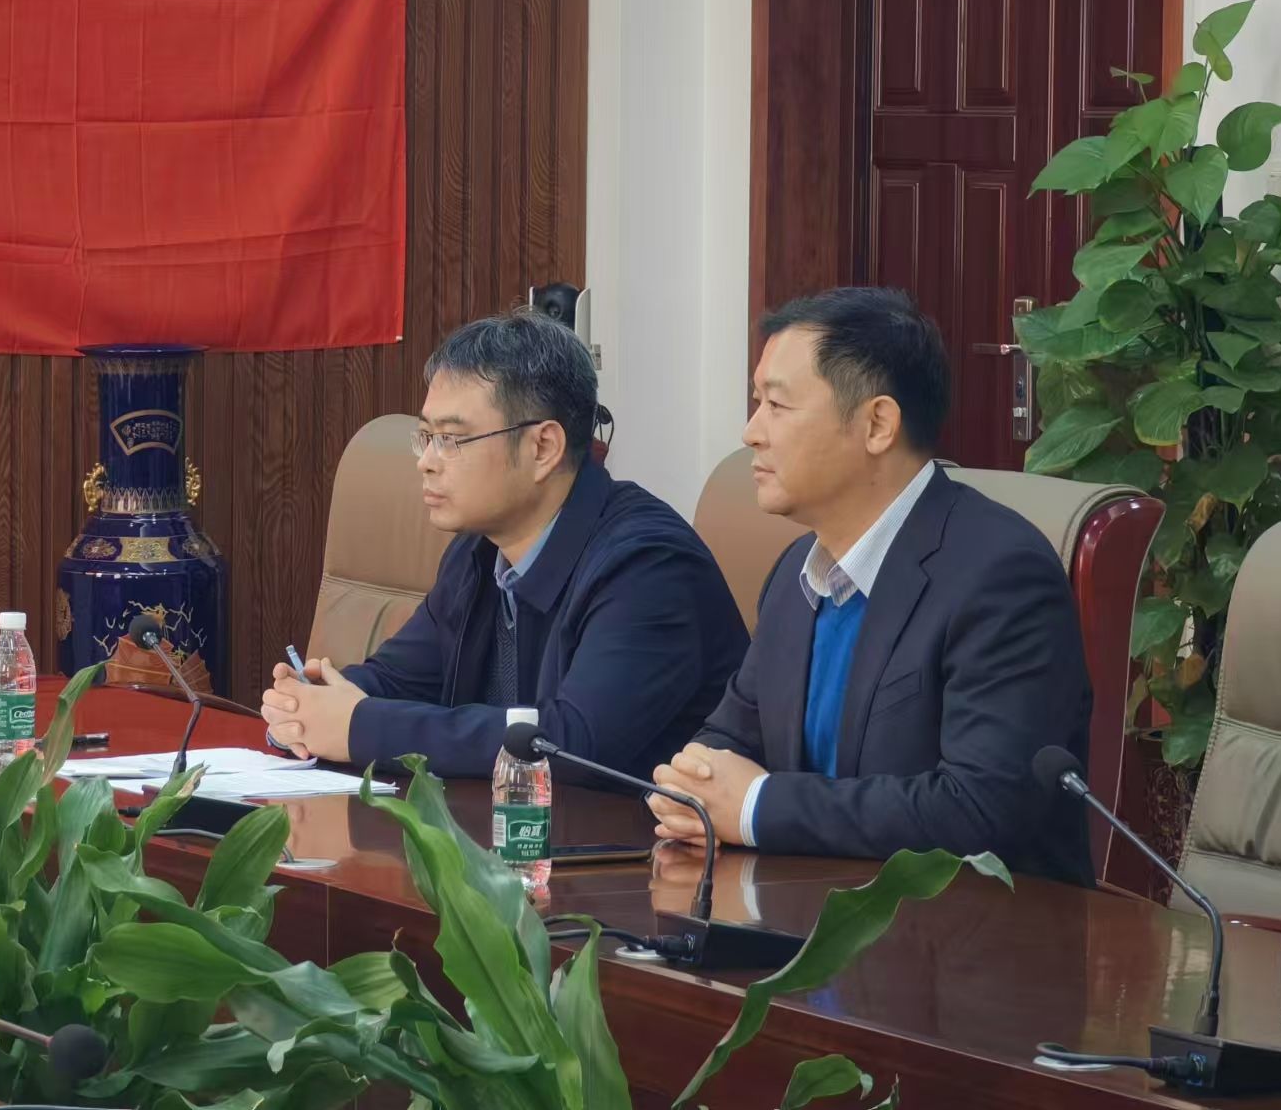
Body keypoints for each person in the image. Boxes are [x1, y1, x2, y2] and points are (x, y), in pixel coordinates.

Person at [648, 287, 1095, 885]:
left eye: (776, 405)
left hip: (973, 926)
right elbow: (727, 740)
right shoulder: (796, 573)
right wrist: (691, 791)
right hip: (803, 910)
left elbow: (978, 809)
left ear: (878, 424)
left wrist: (757, 807)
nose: (751, 431)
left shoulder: (1001, 576)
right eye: (756, 403)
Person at [261, 310, 749, 779]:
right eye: (426, 436)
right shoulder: (478, 551)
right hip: (511, 825)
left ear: (543, 447)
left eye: (451, 439)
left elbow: (570, 743)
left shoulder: (649, 567)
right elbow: (402, 679)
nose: (426, 462)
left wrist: (360, 727)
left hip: (630, 834)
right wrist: (314, 702)